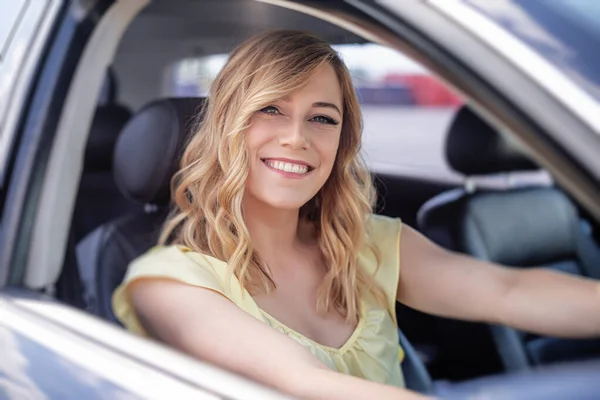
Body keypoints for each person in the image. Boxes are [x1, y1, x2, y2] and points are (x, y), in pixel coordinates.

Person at [112, 30, 600, 400]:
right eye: (271, 110)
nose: (296, 137)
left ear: (341, 141)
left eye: (322, 118)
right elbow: (306, 384)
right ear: (227, 126)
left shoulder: (366, 244)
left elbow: (507, 291)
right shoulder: (166, 282)